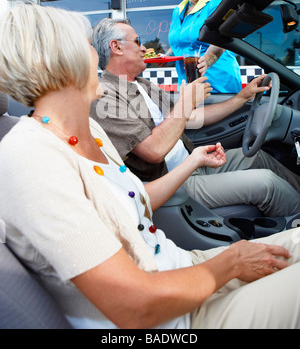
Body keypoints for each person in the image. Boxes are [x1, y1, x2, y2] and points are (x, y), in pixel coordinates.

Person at [1, 2, 300, 330]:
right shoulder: (29, 158)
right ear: (59, 60)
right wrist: (232, 262)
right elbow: (134, 307)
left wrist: (196, 157)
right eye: (88, 45)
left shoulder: (89, 132)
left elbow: (135, 196)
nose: (97, 58)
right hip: (172, 318)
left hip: (181, 269)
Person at [90, 18, 300, 218]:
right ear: (116, 47)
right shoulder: (105, 96)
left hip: (194, 163)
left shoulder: (143, 85)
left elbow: (192, 117)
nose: (144, 48)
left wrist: (241, 97)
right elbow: (153, 151)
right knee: (266, 183)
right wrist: (187, 101)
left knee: (257, 157)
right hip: (174, 182)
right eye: (137, 42)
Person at [168, 0, 242, 93]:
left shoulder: (219, 3)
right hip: (188, 86)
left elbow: (221, 41)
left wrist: (205, 62)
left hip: (218, 85)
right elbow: (179, 41)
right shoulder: (177, 11)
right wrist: (165, 56)